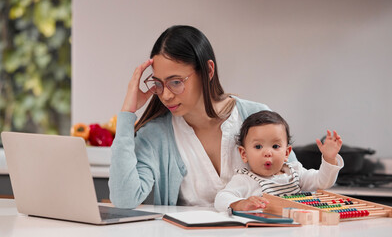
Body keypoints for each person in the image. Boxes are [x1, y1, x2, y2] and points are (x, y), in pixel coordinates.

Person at [108, 25, 297, 208]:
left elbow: (297, 184)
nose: (166, 95)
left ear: (208, 71)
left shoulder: (255, 116)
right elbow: (124, 199)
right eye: (159, 83)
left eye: (175, 82)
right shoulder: (156, 134)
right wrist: (127, 112)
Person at [214, 110, 344, 212]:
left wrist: (329, 158)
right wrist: (240, 203)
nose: (268, 153)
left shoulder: (295, 172)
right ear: (244, 153)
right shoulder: (245, 180)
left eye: (275, 146)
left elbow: (323, 182)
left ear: (287, 153)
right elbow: (221, 198)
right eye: (258, 146)